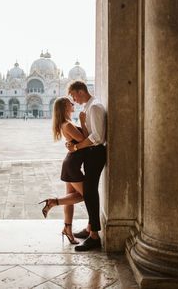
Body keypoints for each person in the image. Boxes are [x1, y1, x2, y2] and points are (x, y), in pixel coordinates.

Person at [39, 96, 88, 244]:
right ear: (64, 107)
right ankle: (53, 202)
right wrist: (83, 122)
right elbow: (84, 139)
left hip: (71, 164)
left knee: (70, 199)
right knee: (86, 195)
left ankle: (67, 228)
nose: (73, 104)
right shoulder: (67, 125)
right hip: (72, 166)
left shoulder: (67, 123)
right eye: (69, 103)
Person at [66, 81, 106, 251]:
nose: (73, 100)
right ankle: (91, 228)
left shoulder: (95, 107)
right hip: (91, 153)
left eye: (74, 95)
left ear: (80, 91)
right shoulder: (88, 108)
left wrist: (75, 147)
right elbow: (88, 134)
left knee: (90, 193)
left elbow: (96, 137)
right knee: (89, 192)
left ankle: (94, 236)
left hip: (95, 153)